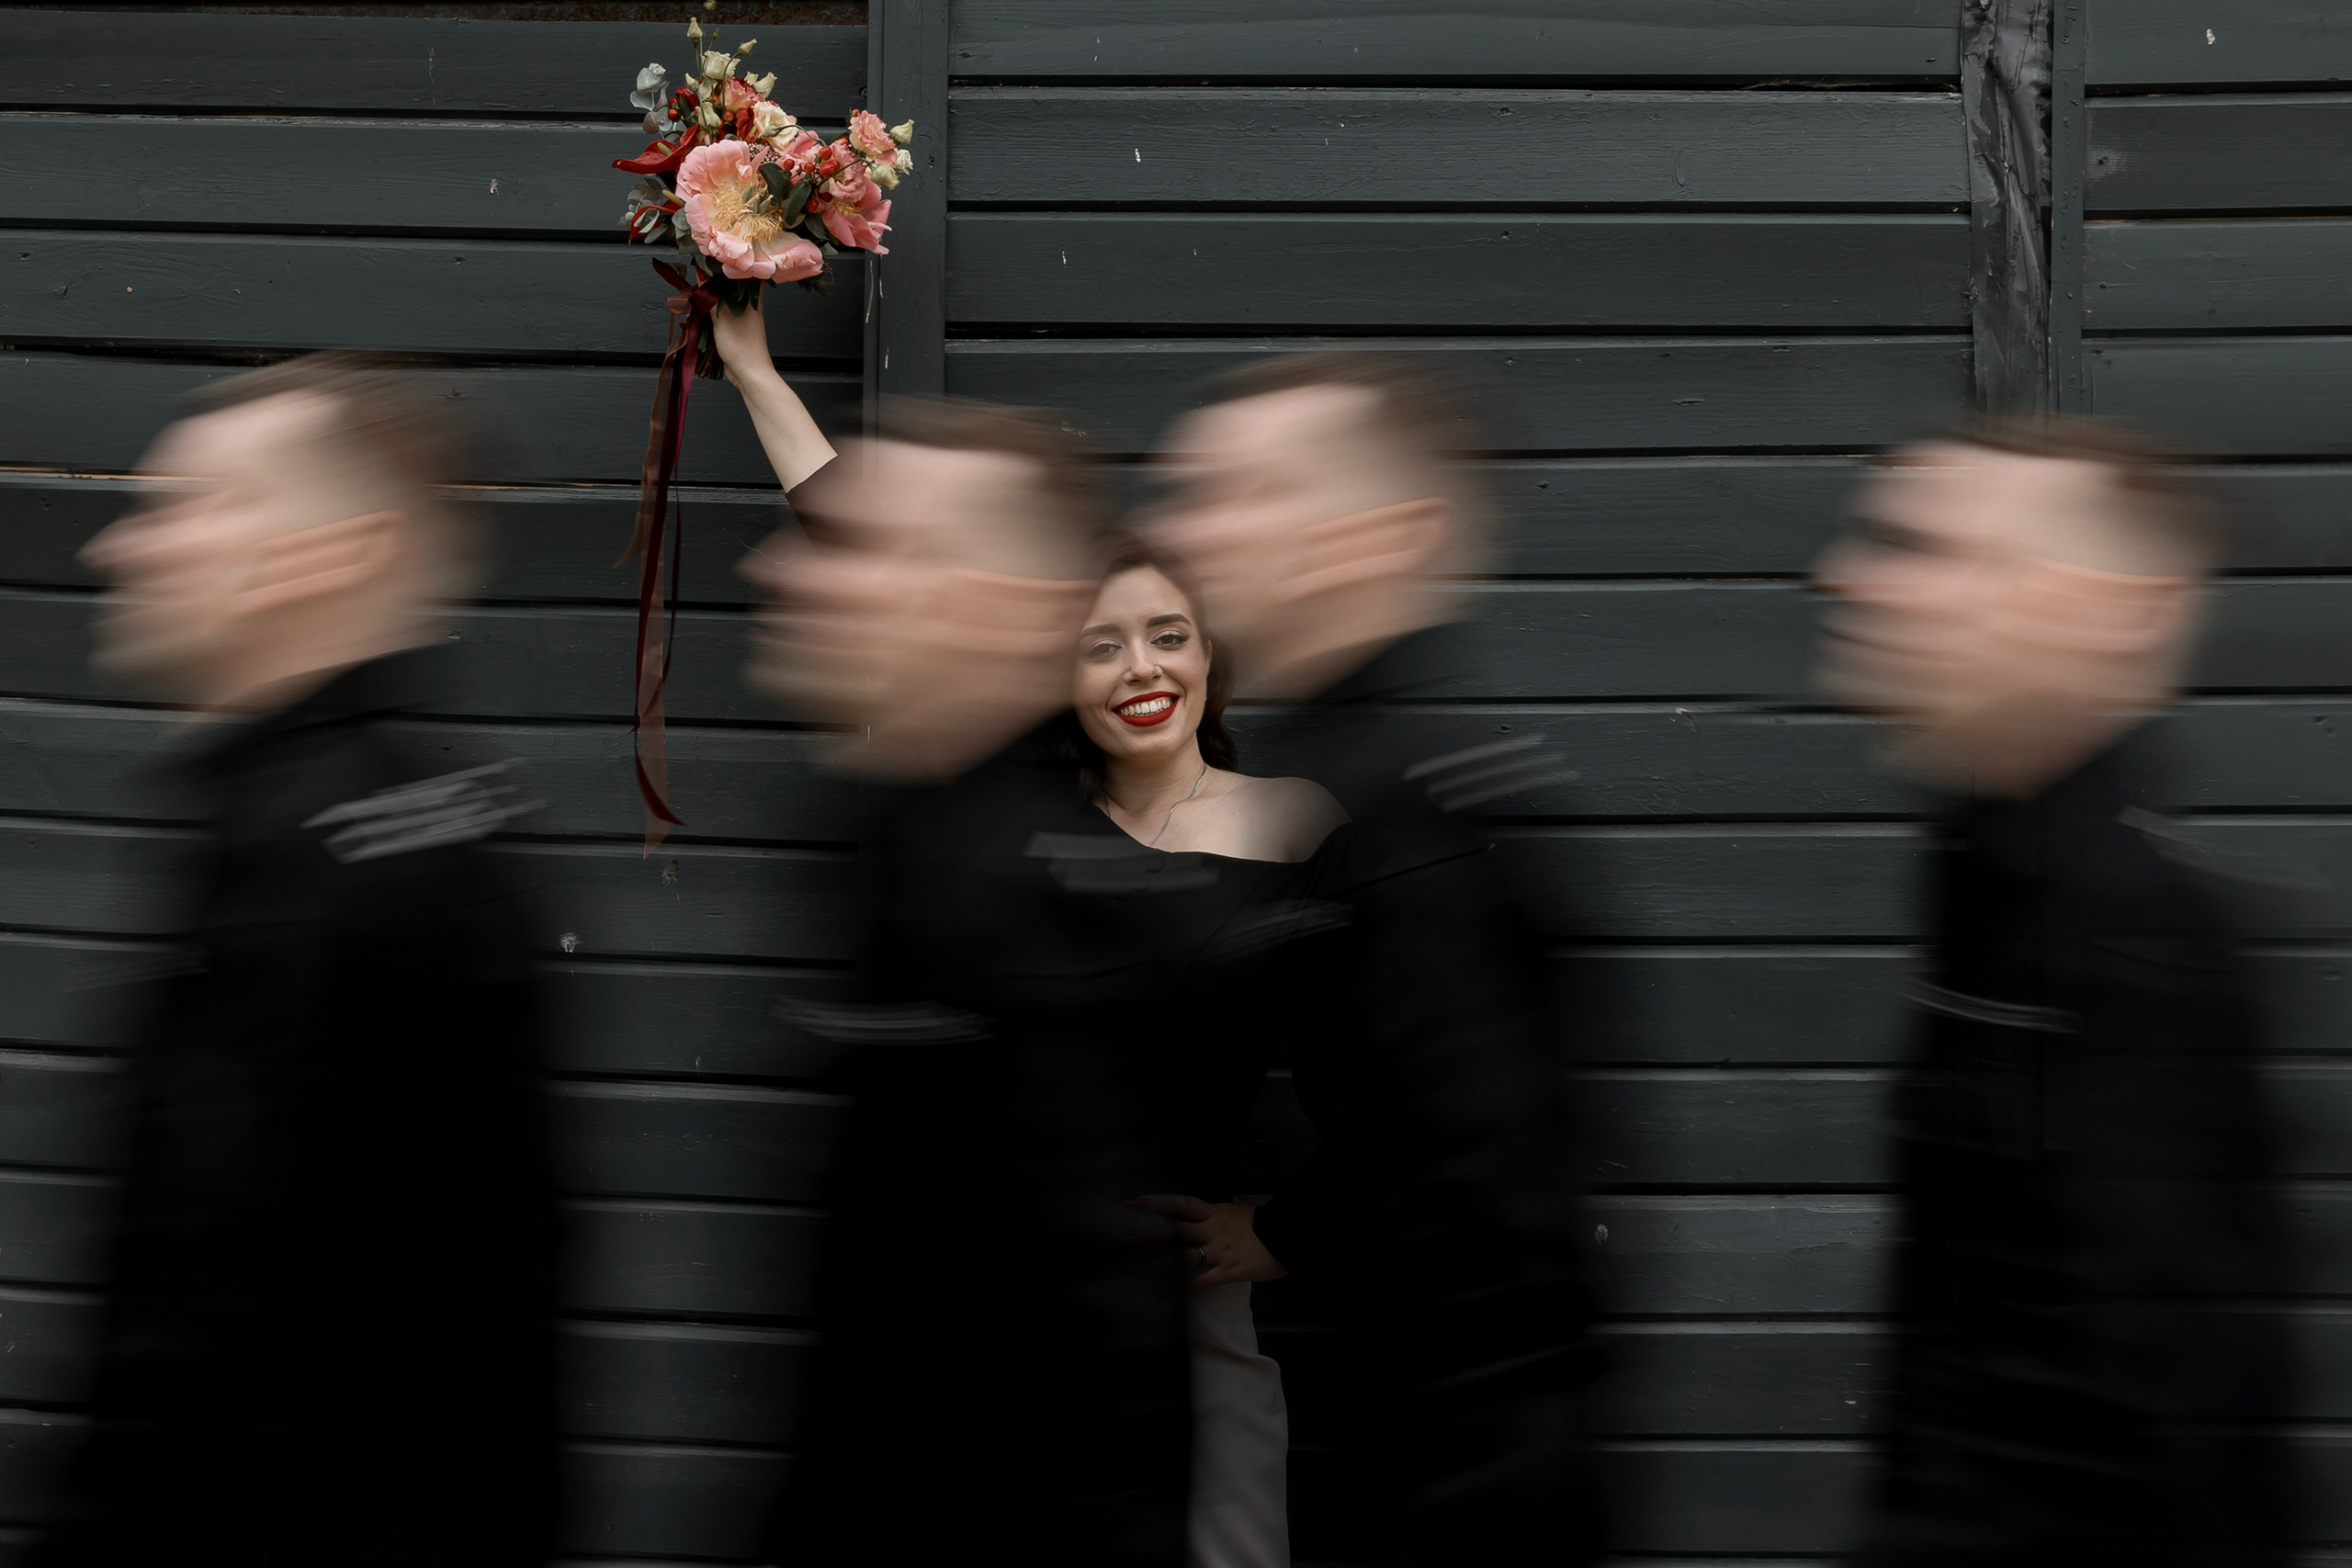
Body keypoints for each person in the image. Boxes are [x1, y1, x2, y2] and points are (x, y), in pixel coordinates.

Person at [49, 355, 557, 1566]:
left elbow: (209, 1325)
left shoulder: (321, 864)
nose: (119, 549)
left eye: (185, 505)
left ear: (331, 551)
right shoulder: (418, 816)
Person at [1813, 416, 2293, 1566]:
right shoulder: (1983, 870)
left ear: (2109, 609)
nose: (1853, 576)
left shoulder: (2132, 931)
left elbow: (2170, 1417)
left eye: (1928, 551)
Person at [1150, 352, 1600, 1568]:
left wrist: (1290, 1226)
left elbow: (1468, 1163)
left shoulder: (1406, 803)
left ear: (1383, 534)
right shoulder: (1348, 761)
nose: (1187, 528)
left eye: (1240, 492)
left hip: (1454, 1480)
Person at [1074, 544, 1345, 1568]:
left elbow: (1417, 1063)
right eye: (1101, 646)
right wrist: (750, 375)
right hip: (1017, 1298)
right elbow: (886, 557)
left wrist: (1292, 1229)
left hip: (1189, 1307)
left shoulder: (1298, 818)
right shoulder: (1019, 825)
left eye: (1167, 636)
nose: (1141, 668)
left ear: (1207, 655)